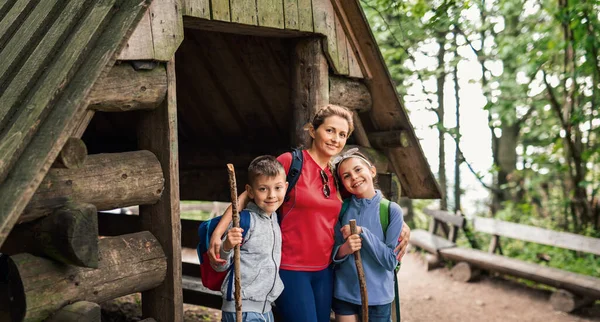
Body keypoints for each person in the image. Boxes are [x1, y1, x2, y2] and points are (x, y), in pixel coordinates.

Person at [209, 104, 411, 322]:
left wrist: (399, 222)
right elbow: (248, 195)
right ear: (314, 131)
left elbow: (365, 196)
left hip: (325, 270)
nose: (335, 138)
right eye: (330, 130)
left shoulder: (337, 175)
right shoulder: (291, 162)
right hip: (290, 267)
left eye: (342, 134)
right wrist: (218, 232)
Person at [331, 149, 404, 322]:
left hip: (379, 299)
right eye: (346, 176)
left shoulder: (391, 211)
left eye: (358, 170)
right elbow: (334, 253)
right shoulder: (341, 209)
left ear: (372, 170)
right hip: (344, 294)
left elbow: (390, 261)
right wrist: (344, 249)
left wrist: (363, 232)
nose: (354, 177)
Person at [213, 155, 287, 322]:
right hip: (242, 308)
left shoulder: (274, 218)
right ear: (250, 191)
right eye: (263, 189)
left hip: (266, 309)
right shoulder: (244, 221)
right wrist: (226, 247)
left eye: (278, 188)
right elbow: (218, 266)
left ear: (286, 187)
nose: (271, 195)